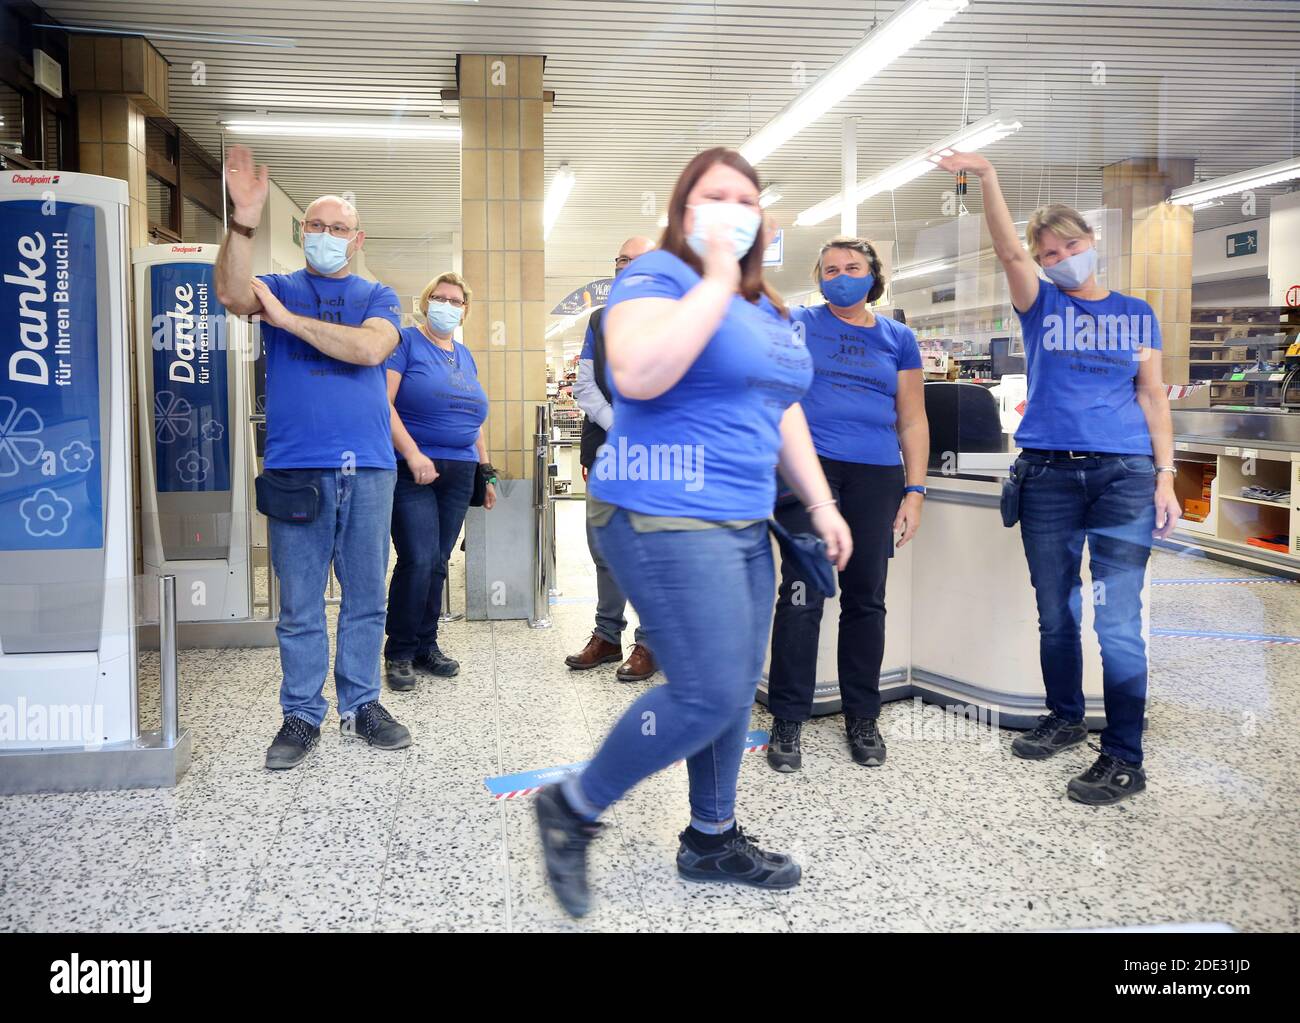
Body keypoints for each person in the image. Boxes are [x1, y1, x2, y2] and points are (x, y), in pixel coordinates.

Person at [533, 147, 853, 917]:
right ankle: (572, 805)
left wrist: (821, 501)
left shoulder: (768, 309)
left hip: (743, 519)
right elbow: (638, 373)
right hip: (659, 509)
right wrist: (712, 276)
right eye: (716, 196)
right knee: (707, 690)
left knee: (733, 686)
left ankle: (712, 836)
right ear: (682, 212)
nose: (734, 209)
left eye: (748, 199)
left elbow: (783, 407)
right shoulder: (657, 278)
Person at [938, 152, 1181, 806]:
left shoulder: (1138, 313)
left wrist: (1165, 476)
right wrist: (988, 179)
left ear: (1092, 242)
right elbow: (1007, 251)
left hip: (1124, 476)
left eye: (1070, 244)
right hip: (1045, 474)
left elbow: (1154, 396)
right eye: (1049, 252)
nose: (1060, 257)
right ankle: (1065, 716)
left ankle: (1124, 755)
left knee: (1117, 622)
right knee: (1055, 612)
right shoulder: (1040, 305)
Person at [214, 144, 411, 770]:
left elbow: (368, 352)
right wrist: (242, 219)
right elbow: (229, 293)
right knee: (298, 602)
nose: (326, 236)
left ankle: (361, 703)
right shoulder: (275, 285)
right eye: (316, 226)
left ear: (357, 240)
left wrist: (291, 323)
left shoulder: (381, 296)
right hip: (297, 467)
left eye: (338, 228)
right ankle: (301, 714)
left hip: (370, 469)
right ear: (303, 233)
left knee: (365, 596)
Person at [766, 237, 929, 773]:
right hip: (808, 472)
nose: (841, 276)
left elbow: (911, 419)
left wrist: (915, 490)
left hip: (877, 475)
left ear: (873, 275)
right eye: (830, 269)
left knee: (866, 599)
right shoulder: (800, 324)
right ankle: (788, 718)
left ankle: (863, 715)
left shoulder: (898, 338)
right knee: (801, 595)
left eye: (852, 267)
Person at [383, 272, 496, 691]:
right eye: (440, 297)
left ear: (465, 310)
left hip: (460, 468)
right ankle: (398, 651)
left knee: (439, 561)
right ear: (426, 300)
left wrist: (485, 471)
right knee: (417, 557)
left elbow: (475, 420)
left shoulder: (465, 356)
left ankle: (426, 645)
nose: (447, 305)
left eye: (456, 300)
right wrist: (413, 453)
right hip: (412, 467)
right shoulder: (405, 343)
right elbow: (384, 403)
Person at [566, 236, 659, 683]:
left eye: (636, 260)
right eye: (621, 259)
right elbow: (584, 383)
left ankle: (651, 642)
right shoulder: (600, 320)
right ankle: (607, 636)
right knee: (603, 546)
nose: (626, 267)